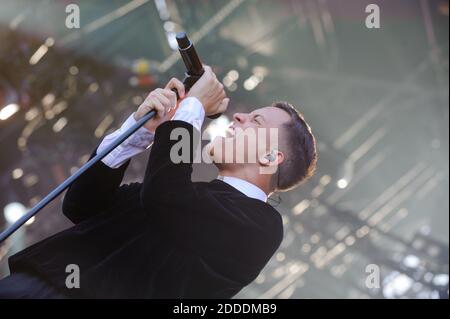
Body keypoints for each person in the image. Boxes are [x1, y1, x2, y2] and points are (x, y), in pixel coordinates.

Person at [0, 66, 317, 298]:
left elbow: (166, 197)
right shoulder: (190, 193)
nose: (239, 117)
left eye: (255, 120)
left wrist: (192, 107)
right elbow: (83, 205)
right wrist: (141, 132)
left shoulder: (260, 227)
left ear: (271, 157)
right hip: (30, 284)